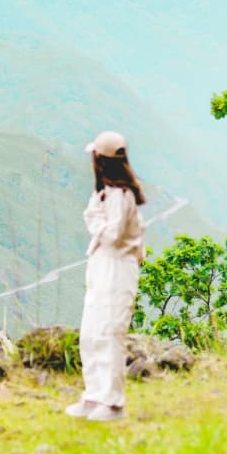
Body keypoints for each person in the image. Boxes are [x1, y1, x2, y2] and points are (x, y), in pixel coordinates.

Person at [67, 131, 148, 422]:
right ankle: (94, 395)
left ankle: (113, 401)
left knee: (110, 331)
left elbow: (112, 234)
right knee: (91, 331)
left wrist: (95, 221)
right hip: (102, 265)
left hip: (116, 267)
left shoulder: (120, 196)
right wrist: (96, 218)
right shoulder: (106, 193)